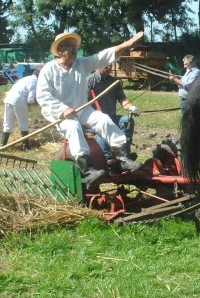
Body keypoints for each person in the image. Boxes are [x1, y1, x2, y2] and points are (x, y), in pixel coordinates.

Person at [37, 31, 145, 184]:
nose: (75, 49)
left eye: (75, 46)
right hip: (60, 115)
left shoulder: (81, 64)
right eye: (70, 46)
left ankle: (122, 158)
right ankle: (88, 170)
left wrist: (126, 45)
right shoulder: (49, 69)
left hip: (81, 109)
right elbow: (43, 96)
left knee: (103, 119)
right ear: (60, 50)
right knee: (73, 127)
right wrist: (63, 110)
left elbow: (101, 57)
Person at [87, 63, 140, 154]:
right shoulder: (89, 81)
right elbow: (83, 103)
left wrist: (131, 107)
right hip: (94, 122)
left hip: (111, 118)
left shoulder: (114, 82)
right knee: (104, 124)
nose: (109, 67)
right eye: (106, 64)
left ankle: (124, 153)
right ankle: (107, 158)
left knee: (127, 120)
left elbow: (122, 99)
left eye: (111, 65)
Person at [1, 70, 39, 150]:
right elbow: (30, 100)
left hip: (8, 99)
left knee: (8, 123)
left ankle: (3, 145)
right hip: (19, 101)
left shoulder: (26, 79)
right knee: (23, 124)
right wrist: (38, 104)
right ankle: (25, 145)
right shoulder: (34, 83)